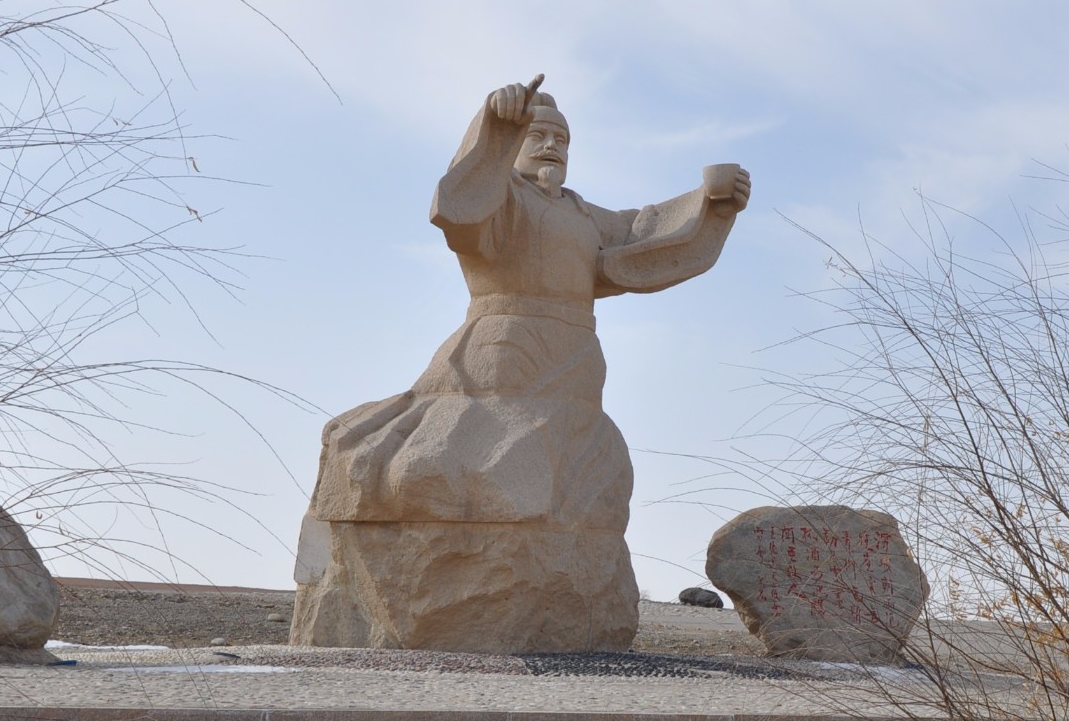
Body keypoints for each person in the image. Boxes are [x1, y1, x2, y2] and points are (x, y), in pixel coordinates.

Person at [290, 77, 751, 651]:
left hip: (577, 353)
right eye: (538, 134)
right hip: (503, 342)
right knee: (493, 450)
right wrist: (493, 124)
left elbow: (642, 232)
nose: (552, 145)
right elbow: (458, 205)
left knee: (578, 465)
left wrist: (710, 202)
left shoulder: (581, 214)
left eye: (561, 137)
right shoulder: (501, 196)